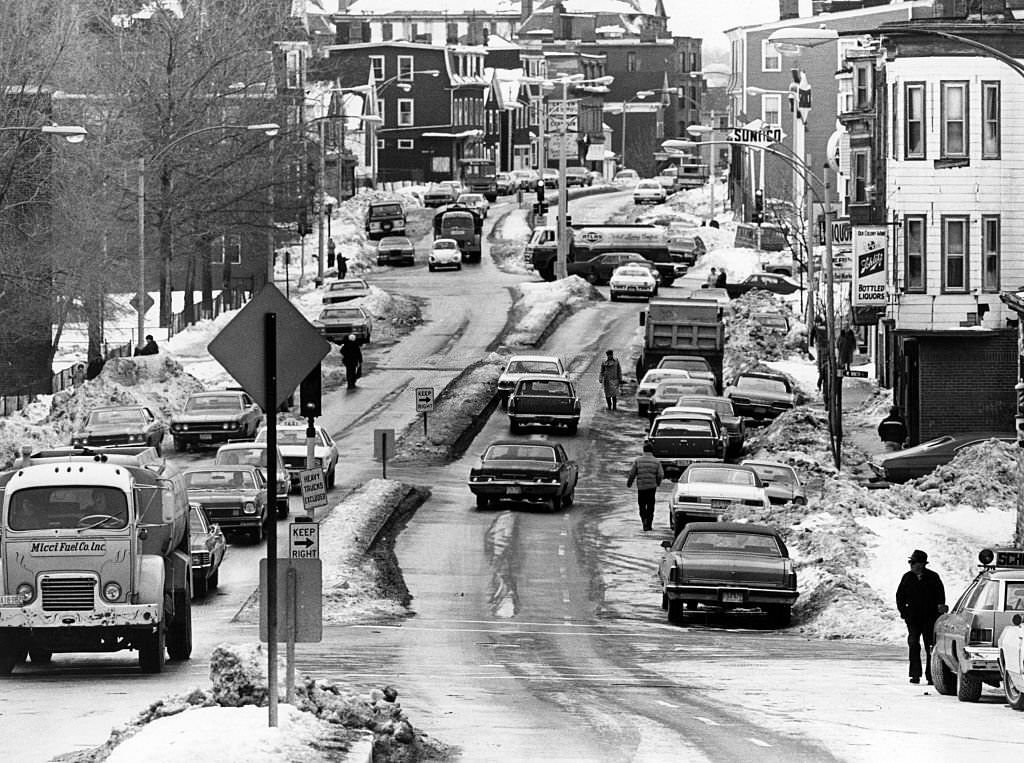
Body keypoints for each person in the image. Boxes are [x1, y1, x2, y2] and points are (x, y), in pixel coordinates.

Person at [896, 549, 946, 685]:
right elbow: (900, 597)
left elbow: (941, 597)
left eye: (915, 562)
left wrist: (939, 611)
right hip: (913, 619)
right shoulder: (907, 577)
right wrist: (904, 613)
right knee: (913, 644)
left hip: (930, 619)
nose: (912, 565)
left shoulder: (933, 577)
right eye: (911, 562)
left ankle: (931, 676)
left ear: (923, 564)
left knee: (930, 646)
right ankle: (915, 674)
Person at [626, 443, 664, 531]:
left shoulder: (638, 461)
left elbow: (632, 474)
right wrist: (657, 483)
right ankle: (649, 524)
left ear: (644, 450)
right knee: (651, 506)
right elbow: (661, 475)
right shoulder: (656, 461)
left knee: (642, 505)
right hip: (652, 488)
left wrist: (629, 483)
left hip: (641, 487)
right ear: (652, 451)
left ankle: (644, 521)